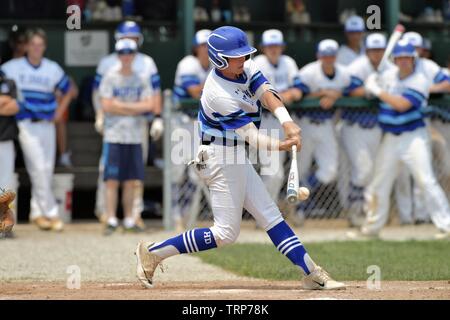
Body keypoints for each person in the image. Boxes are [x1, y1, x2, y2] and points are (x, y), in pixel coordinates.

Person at [134, 26, 345, 290]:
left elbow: (266, 93)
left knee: (270, 216)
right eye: (236, 57)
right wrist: (282, 144)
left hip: (234, 153)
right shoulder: (216, 93)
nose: (242, 61)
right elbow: (252, 137)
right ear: (220, 59)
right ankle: (154, 252)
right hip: (219, 157)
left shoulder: (245, 67)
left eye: (244, 55)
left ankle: (311, 272)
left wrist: (287, 122)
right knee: (225, 233)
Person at [358, 39, 450, 239]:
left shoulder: (420, 80)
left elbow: (401, 105)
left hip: (414, 137)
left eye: (407, 58)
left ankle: (446, 225)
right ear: (395, 60)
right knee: (379, 183)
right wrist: (371, 83)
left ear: (413, 59)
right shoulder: (389, 75)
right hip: (390, 137)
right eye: (399, 58)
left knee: (425, 180)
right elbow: (369, 90)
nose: (403, 62)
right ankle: (372, 228)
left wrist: (377, 90)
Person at [1, 28, 72, 232]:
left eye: (40, 45)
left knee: (45, 169)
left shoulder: (52, 68)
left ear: (45, 47)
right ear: (26, 47)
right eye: (33, 44)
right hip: (25, 123)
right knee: (38, 167)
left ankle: (37, 213)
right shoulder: (12, 67)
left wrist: (60, 112)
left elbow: (70, 89)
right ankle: (51, 213)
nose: (36, 48)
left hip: (47, 123)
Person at [93, 21, 162, 229]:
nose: (129, 45)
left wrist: (156, 116)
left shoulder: (147, 62)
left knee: (134, 173)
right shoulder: (107, 63)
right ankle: (105, 212)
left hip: (137, 125)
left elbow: (155, 94)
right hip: (113, 126)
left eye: (133, 38)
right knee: (108, 171)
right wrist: (100, 113)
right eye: (126, 38)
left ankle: (135, 213)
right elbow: (98, 94)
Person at [293, 39, 352, 219]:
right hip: (305, 124)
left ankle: (300, 196)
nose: (328, 59)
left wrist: (337, 94)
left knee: (330, 171)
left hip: (326, 124)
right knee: (300, 168)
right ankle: (298, 210)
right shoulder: (309, 72)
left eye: (331, 56)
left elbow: (355, 89)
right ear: (319, 56)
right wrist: (323, 93)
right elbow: (296, 93)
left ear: (336, 57)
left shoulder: (343, 73)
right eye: (325, 56)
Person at [341, 33, 394, 226]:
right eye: (373, 50)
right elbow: (349, 91)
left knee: (373, 173)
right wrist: (370, 89)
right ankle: (355, 210)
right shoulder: (356, 67)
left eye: (380, 50)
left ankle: (367, 212)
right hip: (354, 126)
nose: (377, 54)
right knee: (362, 171)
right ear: (367, 51)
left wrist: (380, 88)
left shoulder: (389, 68)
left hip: (377, 126)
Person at [253, 29, 302, 208]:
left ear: (282, 47)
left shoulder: (288, 63)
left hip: (283, 122)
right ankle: (266, 212)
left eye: (276, 46)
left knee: (275, 173)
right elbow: (259, 95)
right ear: (263, 48)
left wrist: (284, 95)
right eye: (269, 46)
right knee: (272, 173)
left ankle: (267, 211)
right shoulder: (257, 63)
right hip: (263, 121)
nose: (273, 49)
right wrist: (283, 96)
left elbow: (298, 89)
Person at [171, 29, 211, 230]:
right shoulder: (188, 63)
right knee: (177, 171)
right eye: (203, 46)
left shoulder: (216, 66)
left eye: (209, 45)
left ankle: (187, 215)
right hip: (180, 122)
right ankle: (174, 215)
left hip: (199, 125)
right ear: (196, 48)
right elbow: (194, 91)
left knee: (197, 172)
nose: (206, 49)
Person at [0, 70, 19, 238]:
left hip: (5, 139)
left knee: (6, 185)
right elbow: (6, 104)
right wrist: (3, 102)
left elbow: (14, 106)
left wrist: (7, 103)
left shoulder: (9, 81)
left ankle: (6, 228)